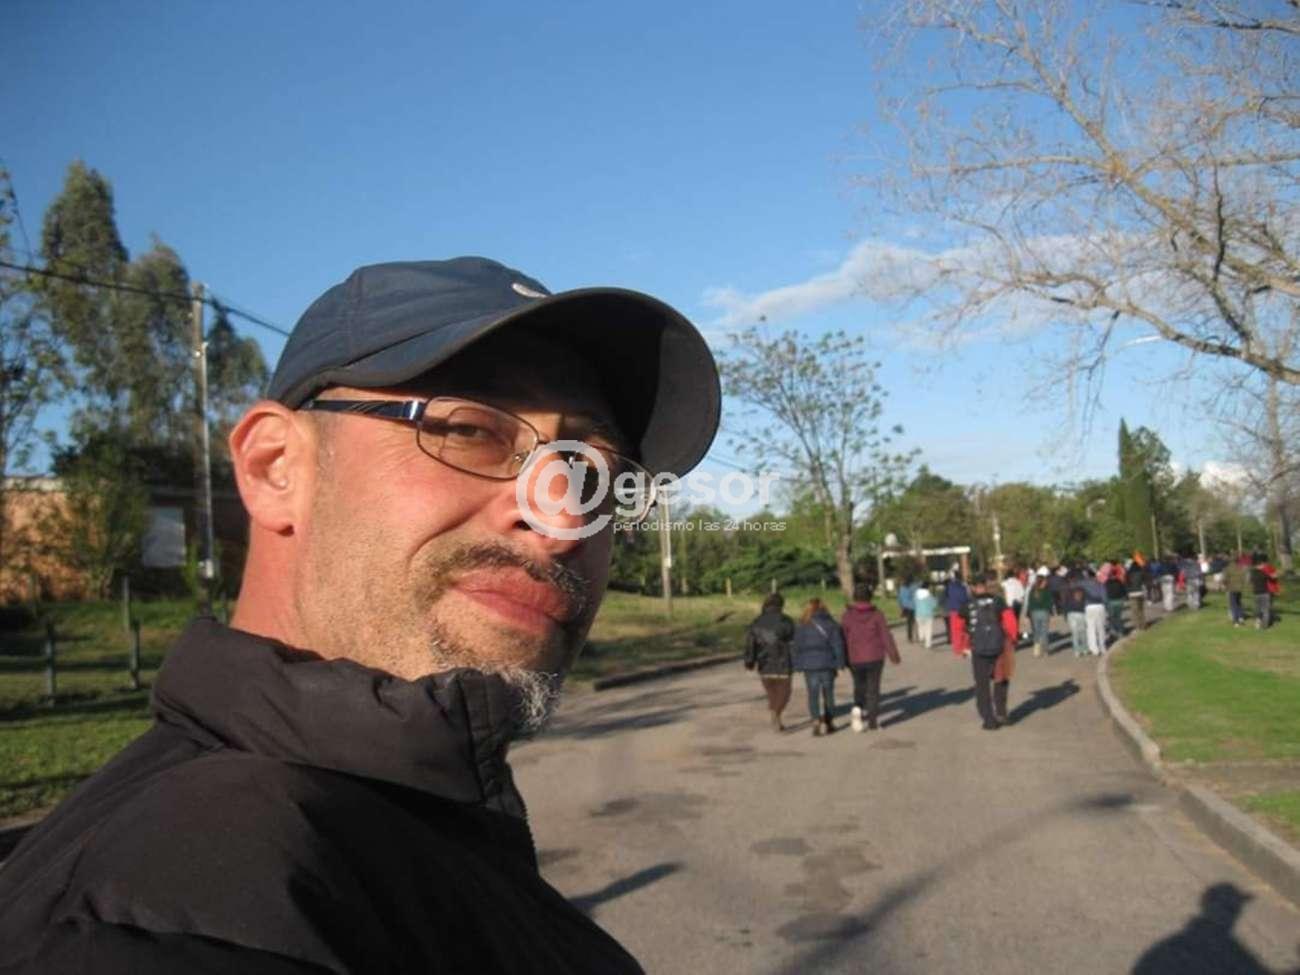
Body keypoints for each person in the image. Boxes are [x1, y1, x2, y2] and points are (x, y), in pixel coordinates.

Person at [0, 256, 724, 973]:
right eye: (472, 430)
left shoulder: (403, 819)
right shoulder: (163, 917)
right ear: (275, 467)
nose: (564, 519)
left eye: (595, 475)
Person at [841, 582, 902, 732]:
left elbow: (843, 637)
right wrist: (894, 655)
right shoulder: (877, 615)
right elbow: (885, 636)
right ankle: (873, 722)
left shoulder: (847, 616)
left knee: (859, 685)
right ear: (870, 597)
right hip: (875, 656)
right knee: (873, 689)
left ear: (854, 597)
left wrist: (843, 657)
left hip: (855, 657)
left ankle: (857, 708)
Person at [962, 571, 1018, 730]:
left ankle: (989, 719)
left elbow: (959, 627)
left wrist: (963, 647)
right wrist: (1012, 640)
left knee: (982, 685)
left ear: (973, 587)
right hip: (999, 647)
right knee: (1001, 679)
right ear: (986, 585)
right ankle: (1001, 713)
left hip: (978, 649)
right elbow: (1010, 621)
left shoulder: (967, 605)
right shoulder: (998, 601)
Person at [792, 597, 846, 736]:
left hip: (809, 665)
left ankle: (815, 721)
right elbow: (838, 645)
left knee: (813, 694)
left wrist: (797, 664)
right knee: (829, 694)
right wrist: (840, 663)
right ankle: (829, 722)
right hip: (828, 663)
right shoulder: (831, 624)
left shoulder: (802, 625)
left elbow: (796, 647)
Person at [745, 592, 796, 731]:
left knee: (772, 693)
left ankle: (775, 714)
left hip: (764, 664)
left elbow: (750, 644)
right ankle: (776, 714)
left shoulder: (757, 622)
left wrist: (749, 662)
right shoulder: (787, 621)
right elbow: (794, 642)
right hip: (784, 662)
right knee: (784, 693)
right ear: (781, 605)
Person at [1027, 569, 1054, 657]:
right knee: (1044, 632)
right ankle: (1045, 650)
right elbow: (1050, 603)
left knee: (1036, 632)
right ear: (1042, 582)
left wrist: (1028, 613)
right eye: (1045, 581)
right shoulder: (1046, 591)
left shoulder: (1032, 591)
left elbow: (1030, 603)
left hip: (1034, 613)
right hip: (1044, 612)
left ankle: (1036, 651)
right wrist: (1051, 612)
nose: (1046, 582)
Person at [1063, 569, 1089, 658]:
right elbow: (1085, 601)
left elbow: (1064, 603)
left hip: (1071, 613)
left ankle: (1077, 651)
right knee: (1083, 632)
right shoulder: (1082, 590)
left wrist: (1065, 614)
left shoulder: (1066, 590)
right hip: (1081, 612)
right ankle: (1085, 648)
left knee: (1074, 633)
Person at [944, 570, 971, 657]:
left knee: (955, 631)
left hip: (953, 610)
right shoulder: (963, 586)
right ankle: (966, 646)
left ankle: (958, 648)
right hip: (963, 609)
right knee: (965, 629)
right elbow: (966, 598)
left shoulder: (950, 586)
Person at [1082, 568, 1109, 655]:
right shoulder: (1100, 584)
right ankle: (1102, 647)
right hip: (1100, 606)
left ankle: (1094, 649)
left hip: (1089, 607)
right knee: (1101, 628)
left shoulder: (1083, 584)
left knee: (1091, 628)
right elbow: (1105, 597)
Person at [1224, 553, 1249, 627]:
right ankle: (1241, 618)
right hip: (1240, 588)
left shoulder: (1228, 568)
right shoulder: (1241, 568)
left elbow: (1225, 579)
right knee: (1239, 603)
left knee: (1233, 604)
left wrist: (1225, 585)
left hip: (1231, 588)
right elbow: (1244, 578)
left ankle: (1236, 621)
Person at [1104, 565, 1128, 640]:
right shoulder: (1119, 581)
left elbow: (1105, 593)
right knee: (1118, 617)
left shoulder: (1106, 583)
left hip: (1111, 601)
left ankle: (1114, 631)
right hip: (1119, 601)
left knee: (1112, 618)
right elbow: (1124, 591)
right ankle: (1121, 632)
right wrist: (1124, 598)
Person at [1125, 557, 1148, 632]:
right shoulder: (1141, 572)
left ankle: (1137, 626)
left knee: (1134, 611)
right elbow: (1144, 581)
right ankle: (1143, 625)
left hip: (1132, 593)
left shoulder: (1128, 574)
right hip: (1140, 592)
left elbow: (1126, 584)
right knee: (1141, 609)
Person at [914, 580, 938, 649]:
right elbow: (934, 604)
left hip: (918, 614)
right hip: (928, 614)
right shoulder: (929, 595)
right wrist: (935, 599)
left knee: (920, 627)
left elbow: (914, 603)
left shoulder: (916, 594)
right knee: (928, 629)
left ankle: (921, 638)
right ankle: (928, 644)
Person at [897, 576, 918, 643]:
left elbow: (899, 598)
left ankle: (910, 638)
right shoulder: (914, 587)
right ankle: (917, 636)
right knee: (915, 622)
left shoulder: (901, 588)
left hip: (906, 607)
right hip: (914, 606)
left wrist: (900, 607)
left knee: (909, 623)